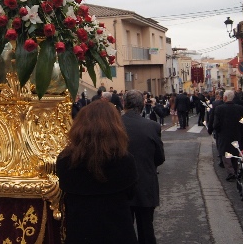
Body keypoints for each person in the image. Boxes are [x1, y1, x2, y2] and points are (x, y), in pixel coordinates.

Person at [56, 100, 138, 243]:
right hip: (119, 233)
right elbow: (131, 193)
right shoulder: (124, 160)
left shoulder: (65, 160)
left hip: (80, 233)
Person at [122, 90, 165, 244]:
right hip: (146, 183)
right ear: (142, 105)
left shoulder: (115, 125)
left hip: (121, 186)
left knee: (123, 230)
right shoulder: (152, 126)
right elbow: (160, 157)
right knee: (146, 229)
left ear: (123, 104)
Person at [213, 90, 243, 181]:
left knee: (226, 154)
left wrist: (217, 132)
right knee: (235, 153)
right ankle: (235, 170)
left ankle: (231, 172)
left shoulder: (219, 108)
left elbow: (216, 124)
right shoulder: (240, 108)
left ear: (225, 98)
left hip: (224, 135)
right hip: (236, 134)